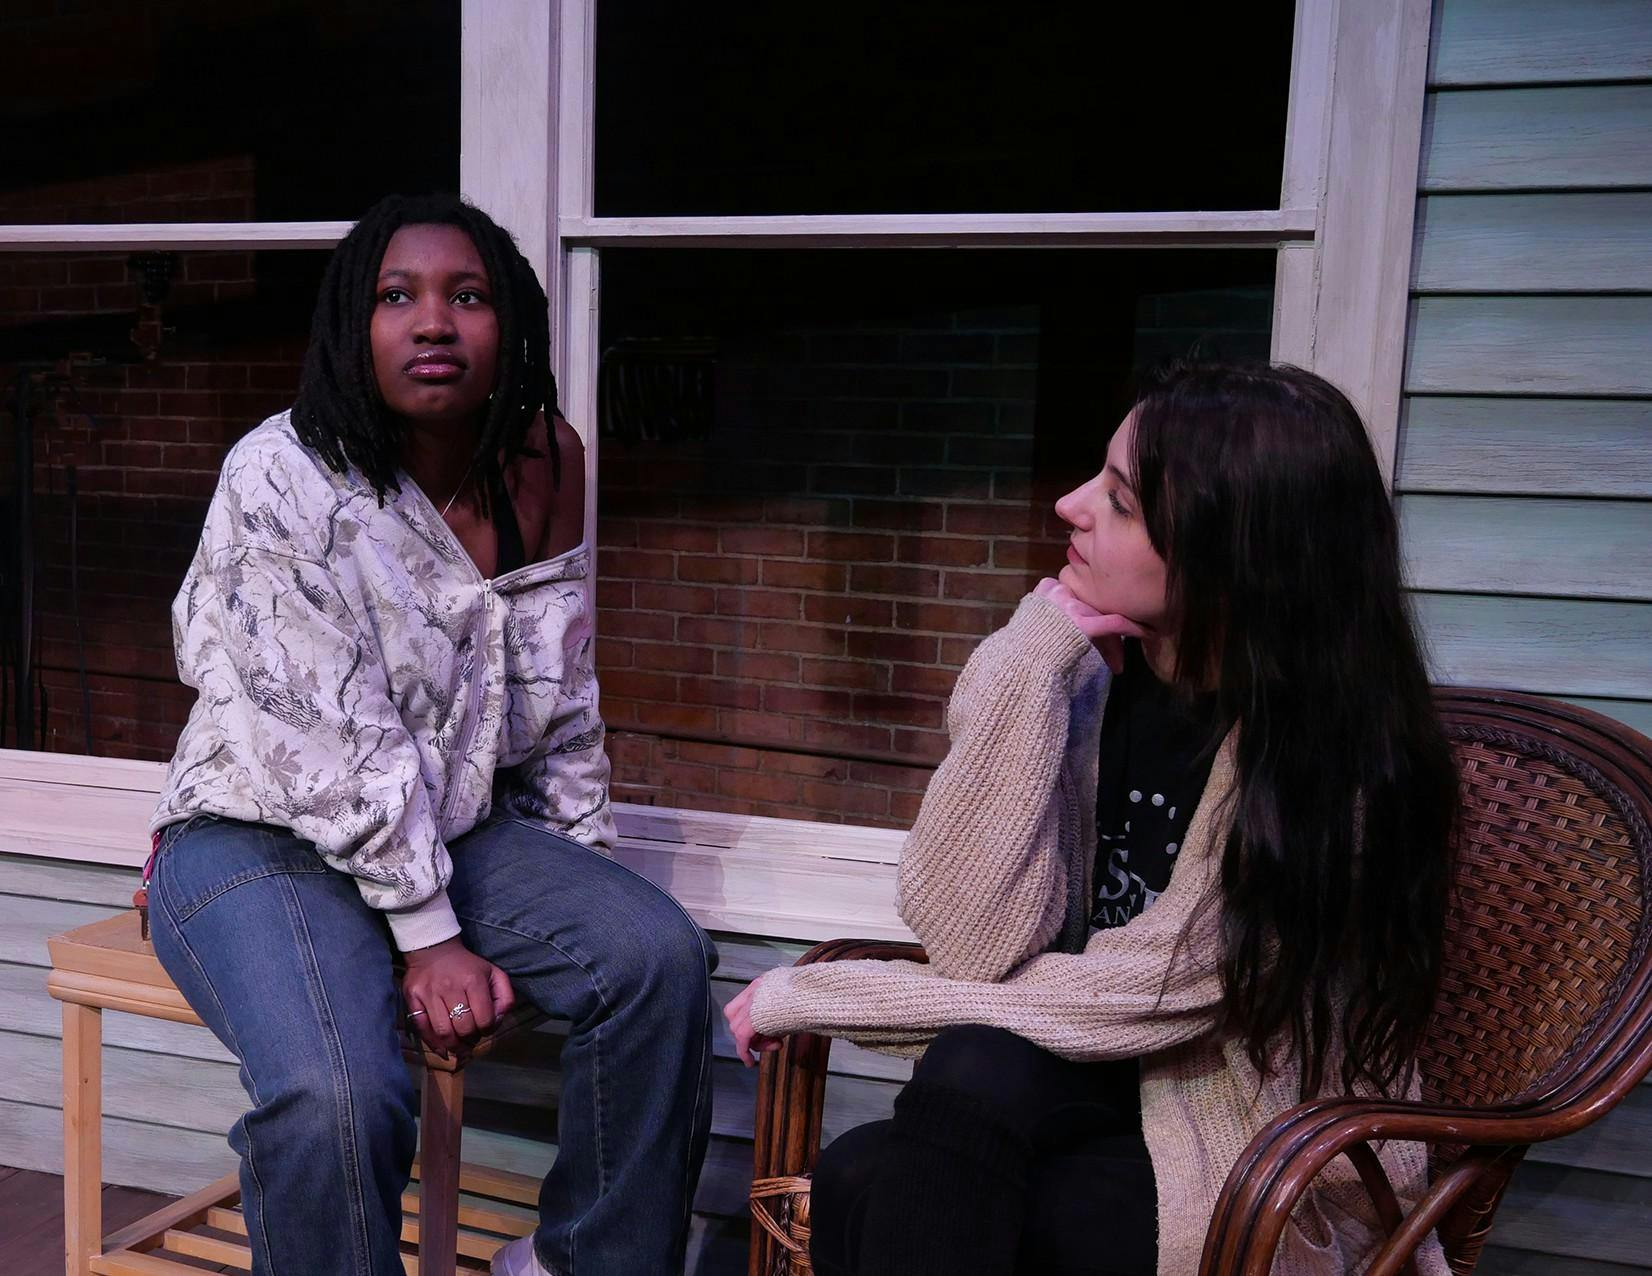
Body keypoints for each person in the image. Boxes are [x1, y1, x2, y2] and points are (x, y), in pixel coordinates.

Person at [725, 363, 1460, 1276]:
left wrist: (825, 996)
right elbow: (975, 944)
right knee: (902, 1138)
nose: (1070, 507)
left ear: (1234, 549)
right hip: (1083, 1084)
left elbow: (1143, 997)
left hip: (1257, 1153)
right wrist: (1027, 661)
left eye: (1118, 500)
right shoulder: (1087, 676)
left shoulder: (1330, 764)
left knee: (875, 1176)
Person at [147, 193, 715, 1276]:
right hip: (254, 834)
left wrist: (573, 874)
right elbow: (322, 735)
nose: (433, 323)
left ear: (512, 326)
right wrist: (429, 932)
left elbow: (559, 688)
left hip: (453, 826)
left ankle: (583, 1262)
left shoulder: (543, 461)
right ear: (350, 330)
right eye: (395, 297)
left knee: (654, 955)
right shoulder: (282, 472)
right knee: (336, 1095)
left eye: (468, 296)